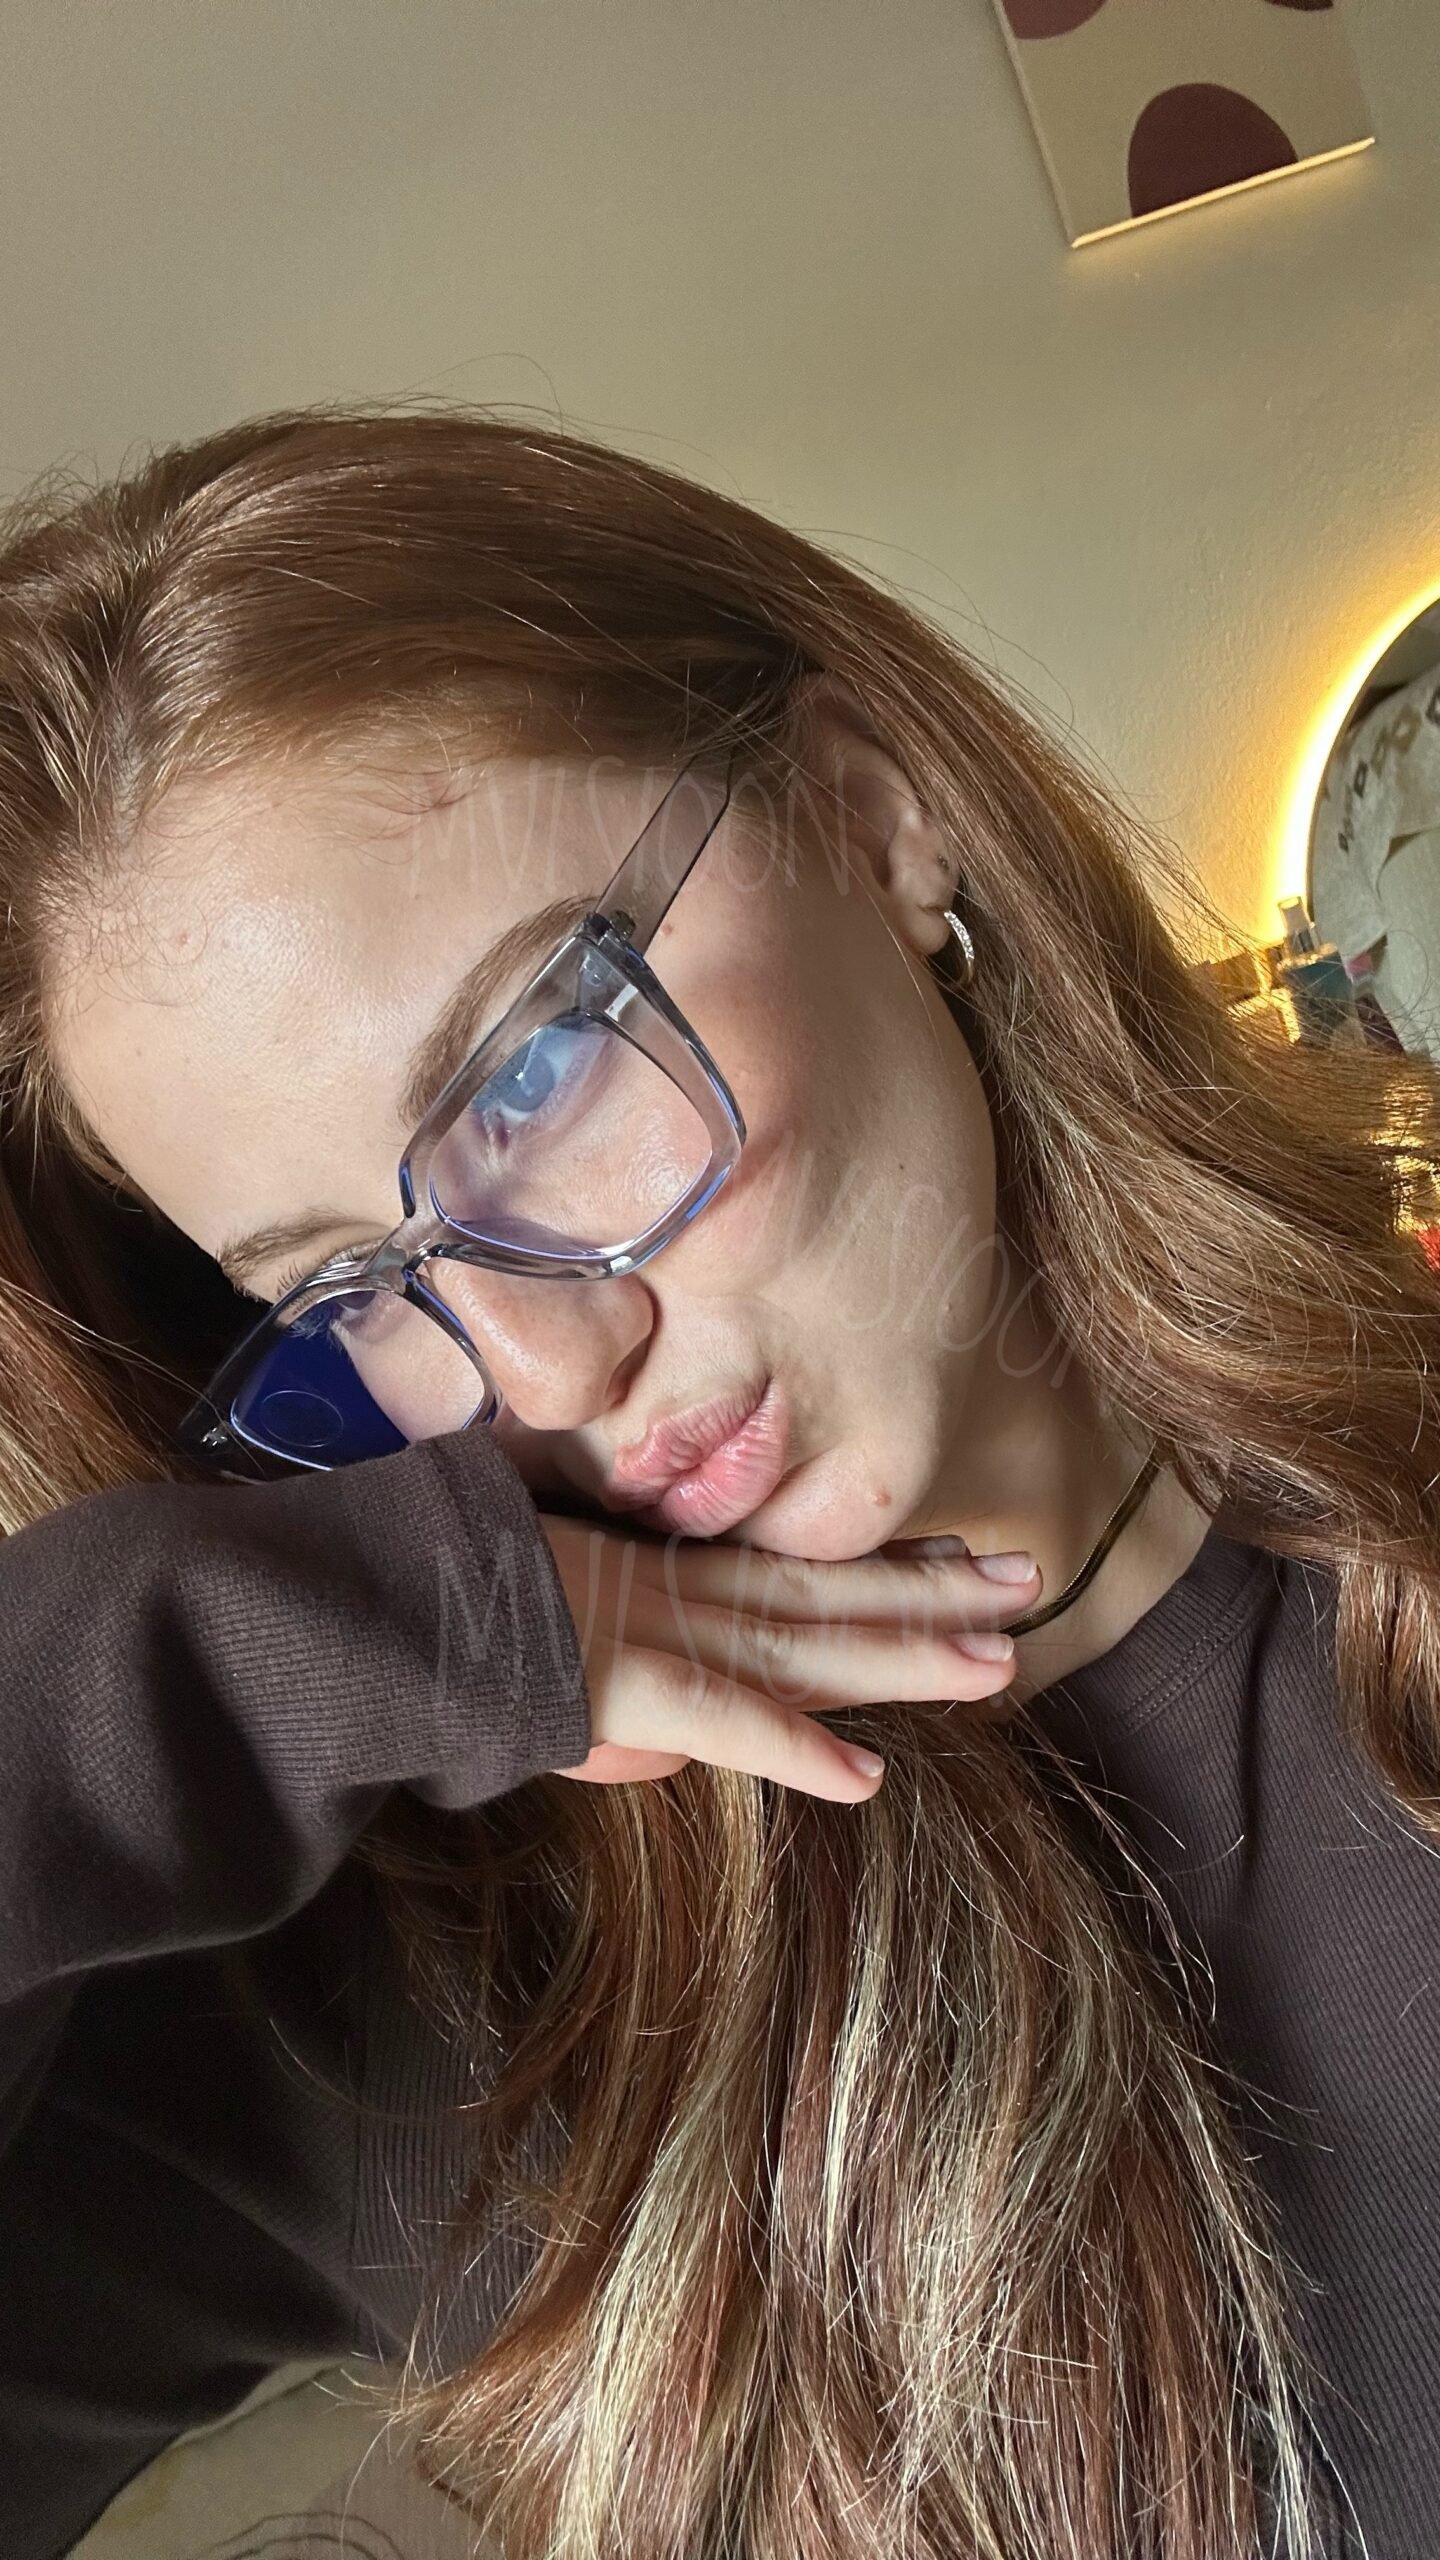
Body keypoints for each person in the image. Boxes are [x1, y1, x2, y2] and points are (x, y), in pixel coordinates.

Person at [1, 405, 1437, 2560]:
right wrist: (146, 1658)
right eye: (345, 1291)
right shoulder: (420, 1998)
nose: (536, 1364)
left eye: (534, 1071)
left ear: (870, 815)